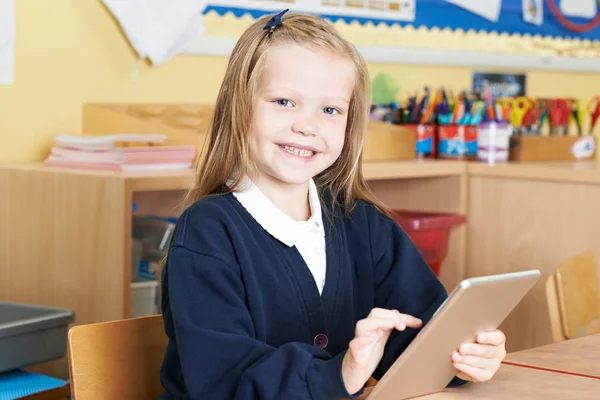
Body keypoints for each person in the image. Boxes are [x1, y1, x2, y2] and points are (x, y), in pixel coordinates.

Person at [159, 9, 507, 400]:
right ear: (239, 106)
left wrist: (465, 355)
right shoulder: (207, 234)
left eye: (330, 110)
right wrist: (339, 373)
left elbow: (421, 330)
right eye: (285, 101)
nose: (307, 125)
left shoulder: (363, 224)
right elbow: (225, 378)